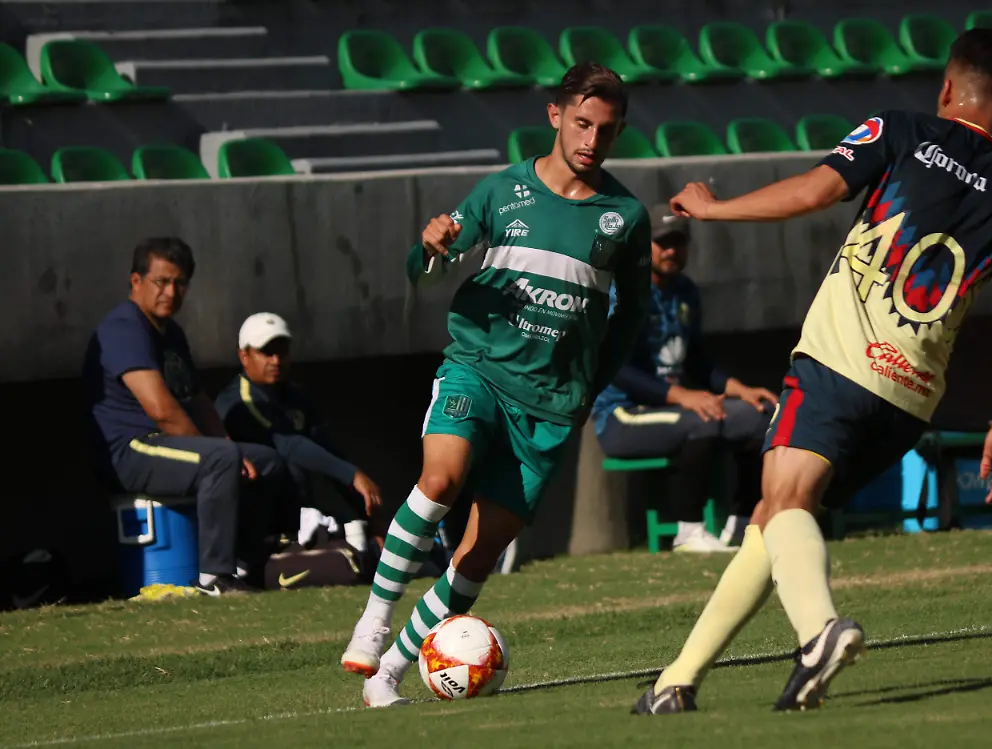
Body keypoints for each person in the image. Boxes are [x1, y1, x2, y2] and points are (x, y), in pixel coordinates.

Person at [634, 27, 992, 714]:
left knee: (785, 501)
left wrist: (713, 208)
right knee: (776, 517)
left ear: (946, 87)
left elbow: (814, 191)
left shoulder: (903, 130)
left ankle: (819, 634)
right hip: (909, 397)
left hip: (839, 361)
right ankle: (676, 680)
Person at [339, 61, 652, 707]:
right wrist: (429, 246)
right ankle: (372, 622)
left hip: (551, 403)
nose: (592, 139)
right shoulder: (502, 191)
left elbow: (632, 315)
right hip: (478, 367)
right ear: (555, 115)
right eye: (583, 122)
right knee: (441, 479)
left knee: (477, 558)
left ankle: (389, 674)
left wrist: (591, 384)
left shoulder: (624, 215)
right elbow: (423, 271)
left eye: (608, 129)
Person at [82, 237, 289, 596]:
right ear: (136, 282)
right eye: (161, 281)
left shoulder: (171, 332)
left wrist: (229, 447)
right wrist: (222, 453)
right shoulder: (123, 329)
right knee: (221, 459)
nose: (171, 291)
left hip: (170, 446)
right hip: (130, 450)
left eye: (179, 283)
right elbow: (162, 411)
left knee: (267, 461)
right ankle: (213, 577)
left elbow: (198, 399)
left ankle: (244, 565)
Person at [591, 205, 777, 552]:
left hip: (674, 407)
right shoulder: (623, 292)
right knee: (700, 421)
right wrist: (684, 397)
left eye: (678, 243)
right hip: (621, 417)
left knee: (759, 416)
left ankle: (742, 526)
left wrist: (742, 390)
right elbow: (616, 367)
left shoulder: (685, 290)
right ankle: (688, 532)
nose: (671, 251)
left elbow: (696, 361)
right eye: (662, 243)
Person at [214, 312, 384, 574]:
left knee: (365, 548)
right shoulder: (237, 402)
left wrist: (368, 512)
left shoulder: (295, 396)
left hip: (302, 518)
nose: (276, 360)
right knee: (342, 567)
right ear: (244, 356)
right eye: (266, 352)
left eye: (282, 351)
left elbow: (327, 449)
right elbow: (286, 443)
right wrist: (352, 474)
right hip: (259, 529)